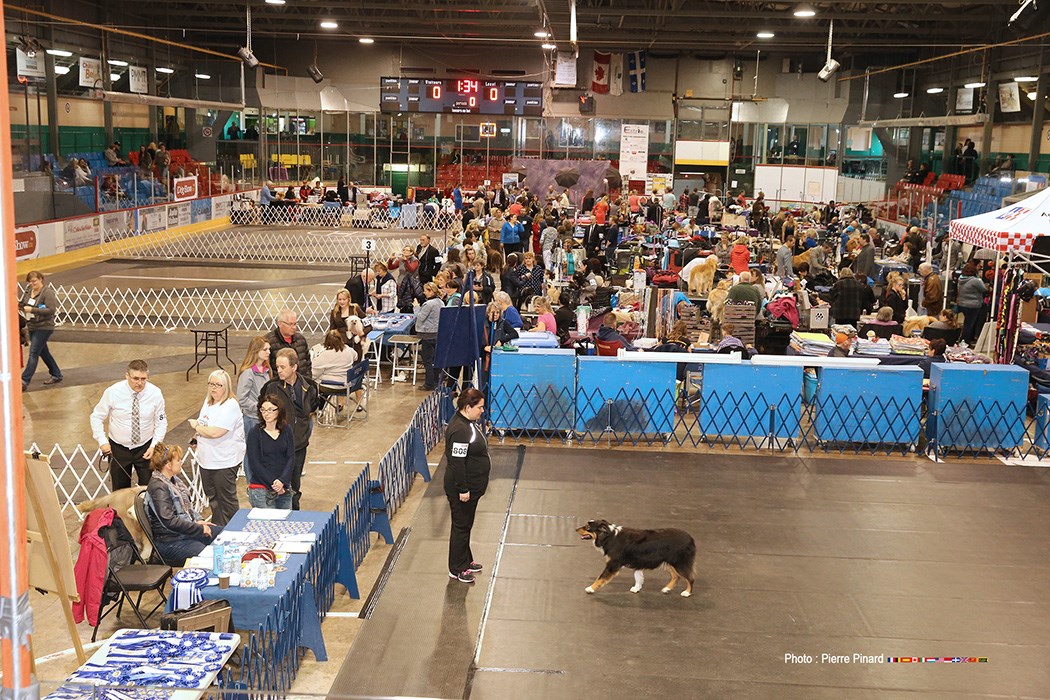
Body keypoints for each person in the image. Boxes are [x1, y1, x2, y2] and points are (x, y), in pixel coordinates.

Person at [90, 359, 167, 490]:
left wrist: (154, 446)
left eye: (143, 379)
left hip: (145, 448)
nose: (140, 383)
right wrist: (102, 441)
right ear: (127, 376)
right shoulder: (112, 392)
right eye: (135, 378)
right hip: (118, 448)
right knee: (119, 492)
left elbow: (161, 422)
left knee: (150, 490)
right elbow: (96, 417)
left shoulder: (155, 393)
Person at [260, 349, 319, 510]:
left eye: (282, 367)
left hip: (299, 444)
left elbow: (312, 407)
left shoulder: (309, 386)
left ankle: (295, 512)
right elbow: (262, 409)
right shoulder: (271, 387)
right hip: (277, 447)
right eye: (277, 367)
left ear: (294, 367)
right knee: (276, 485)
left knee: (295, 483)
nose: (278, 370)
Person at [444, 388, 491, 584]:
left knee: (466, 525)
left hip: (472, 488)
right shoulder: (459, 430)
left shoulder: (468, 423)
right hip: (462, 490)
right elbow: (457, 462)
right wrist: (463, 488)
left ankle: (466, 559)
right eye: (479, 407)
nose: (482, 410)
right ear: (468, 407)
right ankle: (457, 568)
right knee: (461, 527)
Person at [145, 442, 218, 564]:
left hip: (184, 533)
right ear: (168, 465)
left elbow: (186, 509)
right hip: (170, 541)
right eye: (178, 460)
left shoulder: (173, 480)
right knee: (208, 555)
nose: (181, 462)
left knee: (223, 533)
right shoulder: (158, 488)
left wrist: (197, 520)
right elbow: (169, 521)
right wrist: (198, 528)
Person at [189, 370, 245, 528]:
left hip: (224, 462)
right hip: (206, 460)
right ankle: (219, 531)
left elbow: (215, 432)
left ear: (226, 386)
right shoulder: (208, 403)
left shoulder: (230, 405)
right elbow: (205, 424)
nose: (214, 388)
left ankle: (236, 530)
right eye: (211, 384)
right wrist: (196, 436)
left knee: (227, 501)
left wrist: (197, 427)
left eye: (218, 385)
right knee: (213, 500)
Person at [245, 395, 295, 510]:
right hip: (261, 489)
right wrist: (274, 483)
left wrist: (282, 481)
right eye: (263, 410)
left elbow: (291, 457)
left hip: (284, 488)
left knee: (285, 524)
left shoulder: (287, 430)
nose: (266, 413)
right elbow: (254, 463)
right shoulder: (255, 433)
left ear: (279, 411)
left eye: (270, 410)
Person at [236, 335, 271, 486]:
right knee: (251, 455)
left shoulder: (266, 371)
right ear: (256, 351)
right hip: (252, 419)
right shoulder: (248, 373)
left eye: (269, 349)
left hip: (264, 419)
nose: (269, 352)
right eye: (265, 349)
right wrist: (260, 408)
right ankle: (252, 484)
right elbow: (242, 399)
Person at [19, 271, 62, 391]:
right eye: (30, 281)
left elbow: (51, 310)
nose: (32, 283)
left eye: (34, 281)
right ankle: (56, 374)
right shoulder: (28, 291)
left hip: (44, 327)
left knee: (33, 353)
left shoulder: (47, 293)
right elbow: (22, 304)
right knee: (43, 352)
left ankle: (24, 380)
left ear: (41, 279)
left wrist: (32, 310)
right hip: (32, 326)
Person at [311, 330, 358, 408]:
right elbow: (355, 356)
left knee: (312, 383)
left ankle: (317, 408)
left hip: (330, 386)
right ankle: (321, 408)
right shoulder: (348, 350)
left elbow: (314, 373)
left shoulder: (324, 355)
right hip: (348, 385)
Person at [264, 308, 312, 378]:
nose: (294, 327)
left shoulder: (301, 339)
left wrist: (307, 381)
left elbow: (308, 364)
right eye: (290, 324)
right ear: (280, 323)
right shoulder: (268, 342)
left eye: (295, 324)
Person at [416, 282, 444, 391]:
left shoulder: (428, 304)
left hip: (427, 335)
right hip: (438, 334)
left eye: (425, 290)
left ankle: (429, 384)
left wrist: (416, 307)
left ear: (431, 291)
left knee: (427, 360)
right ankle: (437, 382)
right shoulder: (441, 302)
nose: (423, 292)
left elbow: (420, 317)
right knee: (436, 360)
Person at [957, 262, 987, 343]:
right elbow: (984, 289)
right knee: (969, 324)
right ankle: (965, 341)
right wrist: (980, 280)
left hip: (962, 303)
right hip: (973, 305)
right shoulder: (975, 281)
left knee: (967, 322)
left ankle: (966, 338)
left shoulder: (960, 278)